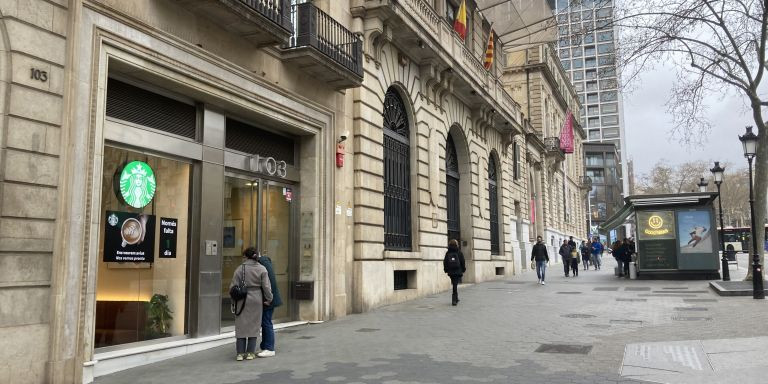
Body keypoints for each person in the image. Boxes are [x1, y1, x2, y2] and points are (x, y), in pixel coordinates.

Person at [230, 247, 273, 361]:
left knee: (241, 325)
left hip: (242, 299)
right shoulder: (262, 269)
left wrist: (233, 301)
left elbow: (233, 287)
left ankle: (240, 353)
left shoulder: (240, 269)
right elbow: (267, 287)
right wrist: (269, 299)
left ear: (246, 256)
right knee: (254, 325)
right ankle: (250, 353)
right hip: (257, 298)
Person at [257, 250, 282, 358]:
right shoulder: (265, 262)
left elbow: (268, 284)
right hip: (269, 298)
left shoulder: (263, 264)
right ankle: (265, 345)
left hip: (269, 299)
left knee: (266, 322)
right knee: (265, 321)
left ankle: (269, 348)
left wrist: (269, 298)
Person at [443, 239, 466, 306]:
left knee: (454, 283)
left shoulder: (448, 252)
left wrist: (446, 269)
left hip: (451, 271)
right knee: (455, 284)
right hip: (458, 270)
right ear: (456, 244)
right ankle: (454, 300)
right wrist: (463, 269)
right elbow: (463, 261)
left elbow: (445, 262)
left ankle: (456, 298)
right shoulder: (459, 252)